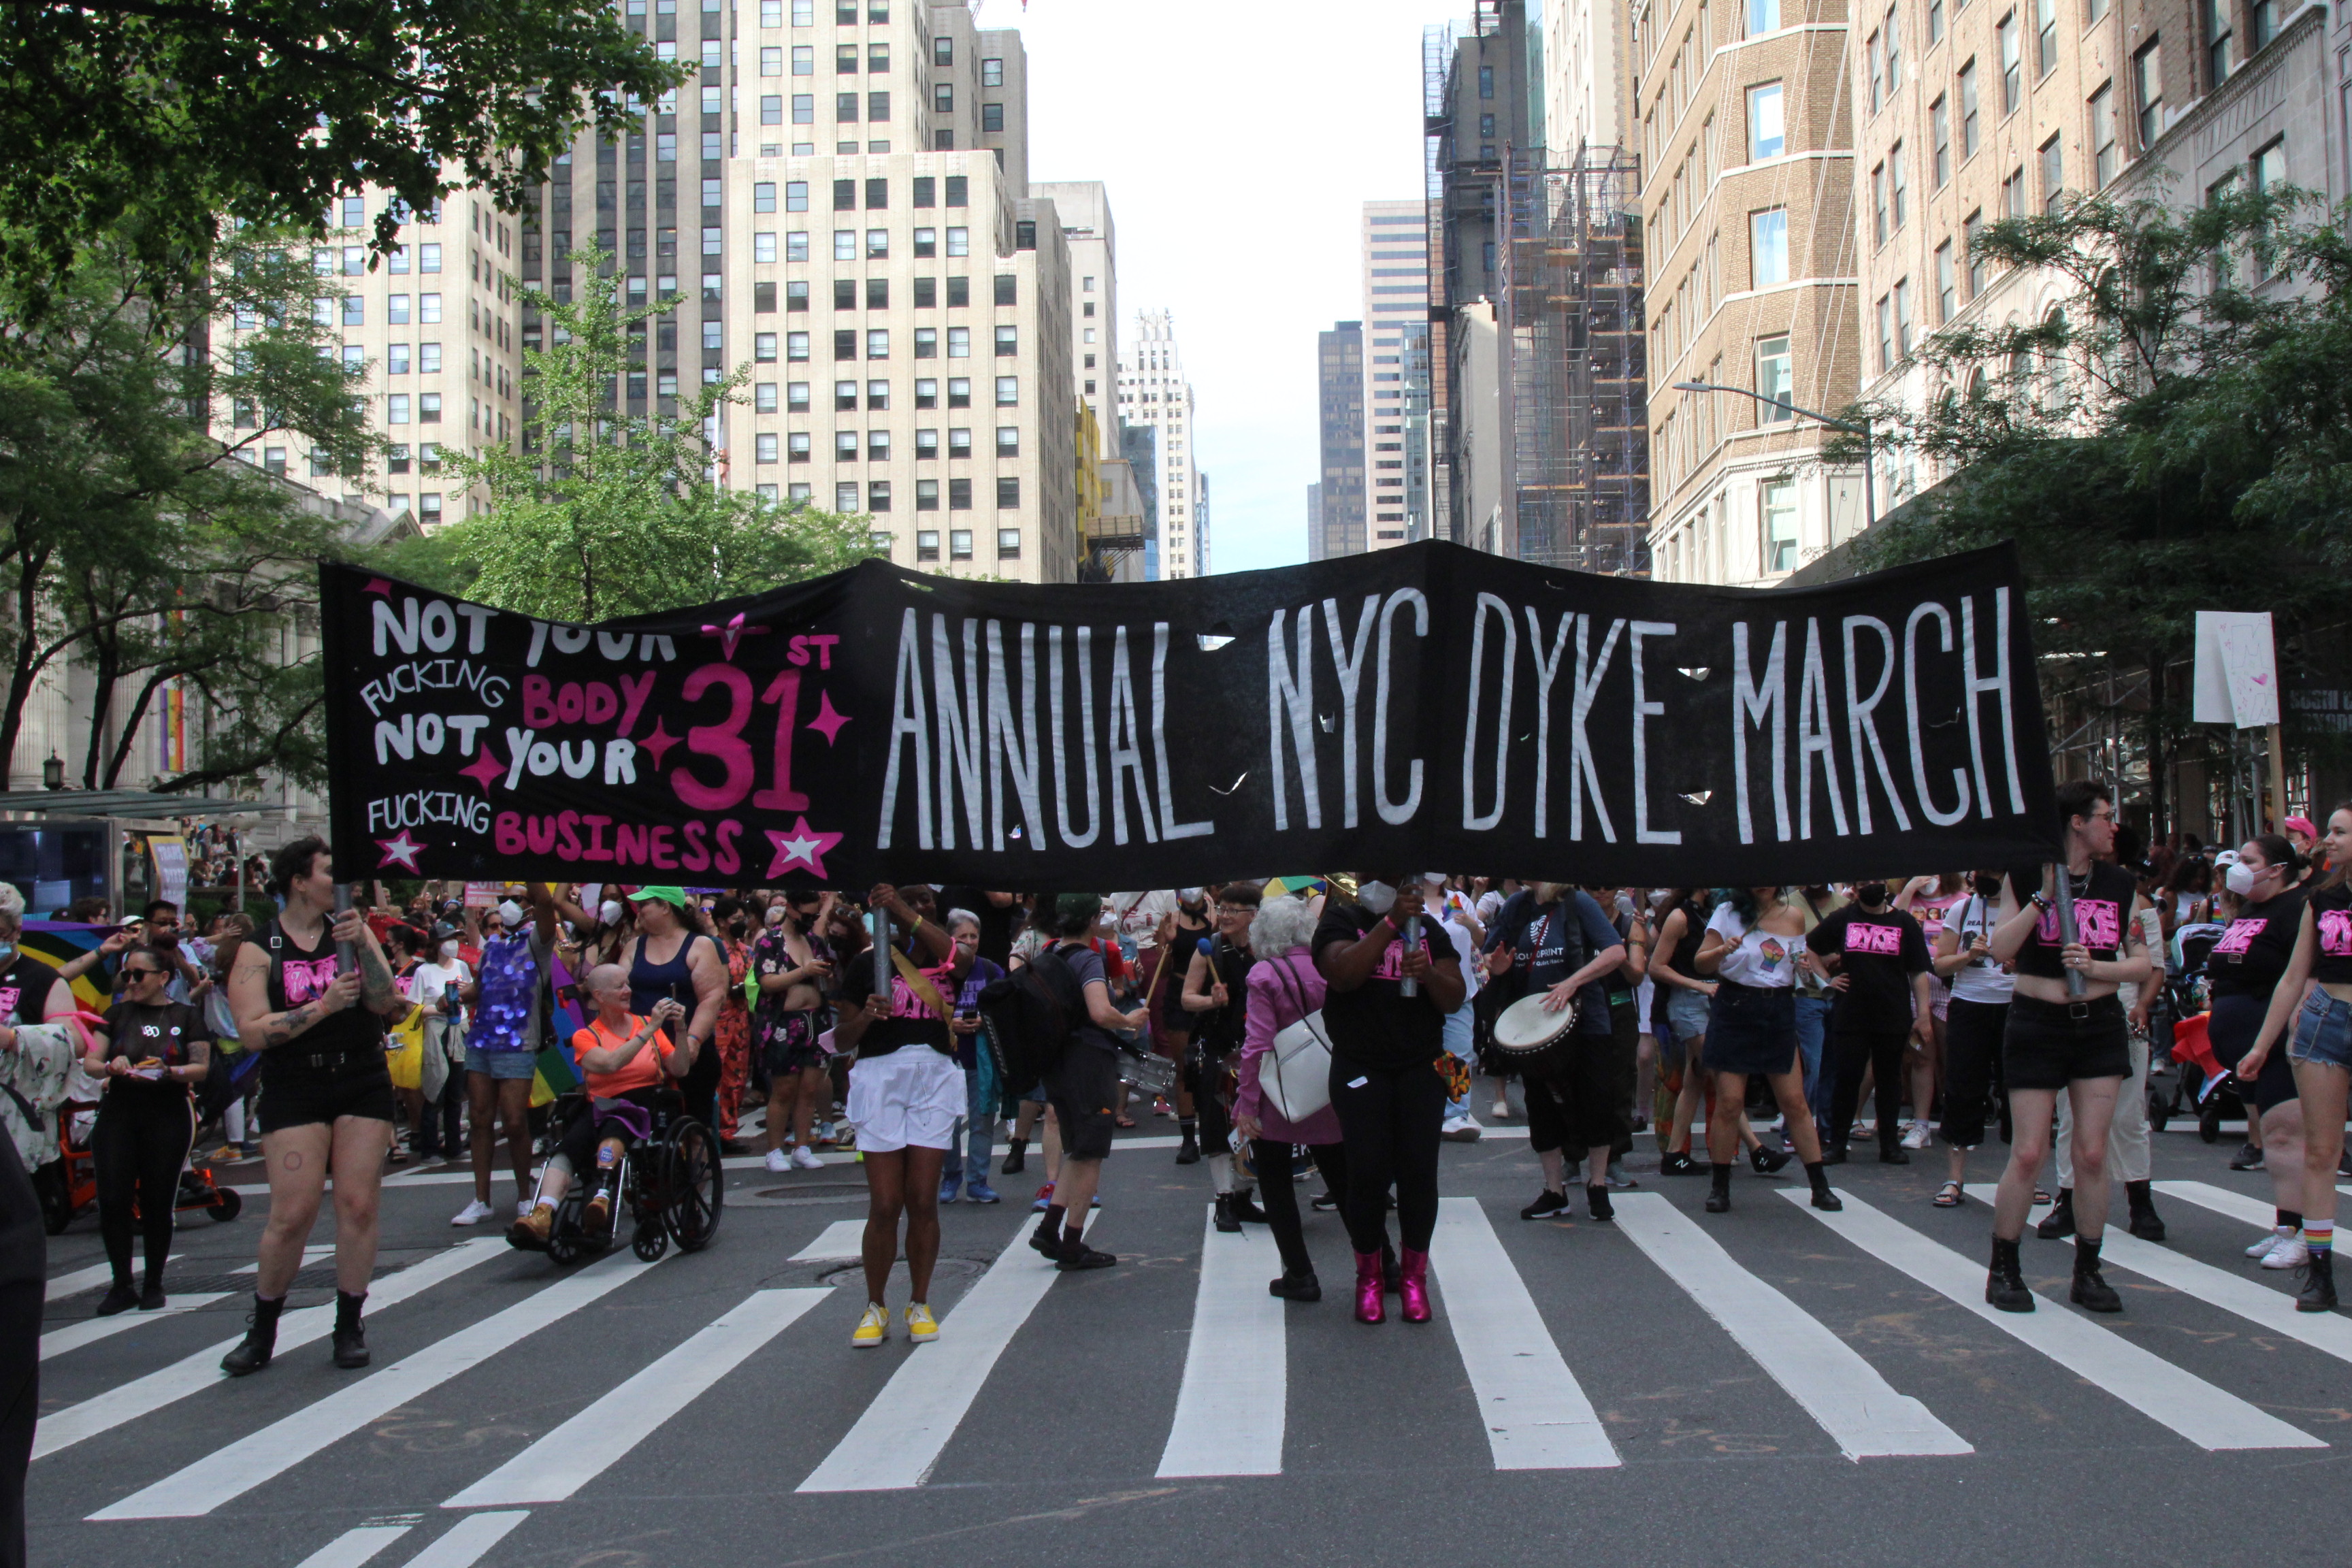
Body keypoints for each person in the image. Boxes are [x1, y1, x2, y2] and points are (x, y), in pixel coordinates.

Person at [220, 836, 409, 1375]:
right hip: (295, 1085)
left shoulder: (351, 932)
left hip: (361, 1075)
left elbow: (383, 1002)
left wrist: (367, 945)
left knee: (358, 1204)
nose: (340, 882)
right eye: (331, 872)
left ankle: (349, 1322)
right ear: (300, 880)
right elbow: (252, 1033)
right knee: (293, 1212)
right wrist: (320, 1007)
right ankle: (263, 1326)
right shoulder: (260, 950)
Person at [1981, 781, 2152, 1315]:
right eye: (2105, 816)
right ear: (2077, 822)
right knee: (2029, 1150)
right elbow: (1999, 950)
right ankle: (2004, 1266)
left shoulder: (2121, 883)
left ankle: (2089, 1267)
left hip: (2098, 1021)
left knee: (2092, 1152)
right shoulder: (2028, 871)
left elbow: (2142, 962)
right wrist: (2041, 896)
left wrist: (2096, 967)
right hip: (2036, 1020)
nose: (2112, 827)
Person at [1316, 872, 1465, 1324]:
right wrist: (1391, 925)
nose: (1380, 884)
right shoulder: (1342, 920)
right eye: (1373, 877)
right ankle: (1371, 1277)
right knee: (1367, 1173)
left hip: (1420, 1066)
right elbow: (1342, 975)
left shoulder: (1431, 929)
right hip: (1361, 1066)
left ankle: (1416, 1279)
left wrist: (1430, 974)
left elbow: (1454, 997)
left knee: (1419, 1173)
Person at [834, 883, 960, 1343]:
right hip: (879, 1078)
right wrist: (867, 1016)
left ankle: (920, 1302)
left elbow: (955, 956)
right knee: (886, 1203)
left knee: (923, 1199)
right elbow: (843, 1040)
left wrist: (902, 908)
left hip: (933, 1078)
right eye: (911, 897)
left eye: (926, 899)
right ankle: (876, 1305)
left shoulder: (949, 958)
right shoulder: (868, 963)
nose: (920, 905)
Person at [2240, 804, 2352, 1309]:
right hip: (2325, 1020)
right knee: (2321, 1152)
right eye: (2329, 831)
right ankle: (2321, 1274)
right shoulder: (2321, 898)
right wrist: (2262, 1046)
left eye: (2339, 832)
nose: (2328, 840)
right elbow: (2292, 977)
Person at [1485, 881, 1630, 1223]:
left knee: (1596, 1101)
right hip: (1532, 1024)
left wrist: (1573, 981)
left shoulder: (1577, 902)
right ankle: (1554, 1191)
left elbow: (1616, 952)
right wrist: (1498, 965)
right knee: (1541, 1106)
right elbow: (1491, 957)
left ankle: (1597, 1184)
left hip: (1585, 1020)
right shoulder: (1516, 907)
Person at [512, 968, 689, 1245]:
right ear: (599, 996)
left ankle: (602, 1198)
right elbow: (609, 1064)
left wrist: (680, 1030)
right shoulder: (587, 1036)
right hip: (600, 1104)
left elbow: (679, 1068)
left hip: (642, 1104)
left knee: (615, 1127)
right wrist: (651, 1029)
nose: (628, 991)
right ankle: (543, 1212)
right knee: (569, 1145)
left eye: (628, 984)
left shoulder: (645, 1024)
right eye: (620, 986)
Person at [1692, 887, 1841, 1215]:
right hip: (1735, 1006)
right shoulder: (1727, 913)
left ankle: (1819, 1185)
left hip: (1778, 1010)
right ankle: (1720, 1185)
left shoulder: (1794, 915)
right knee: (1730, 1102)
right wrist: (1722, 950)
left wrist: (1811, 974)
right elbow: (1701, 963)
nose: (1761, 885)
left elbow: (1799, 969)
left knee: (1795, 1102)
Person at [81, 951, 212, 1313]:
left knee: (158, 1199)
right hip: (120, 1110)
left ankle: (153, 1281)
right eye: (127, 974)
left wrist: (169, 1071)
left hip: (167, 1111)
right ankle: (121, 1282)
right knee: (112, 1199)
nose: (132, 982)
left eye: (140, 974)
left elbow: (201, 1067)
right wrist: (112, 1065)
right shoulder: (117, 1014)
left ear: (163, 977)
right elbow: (92, 1062)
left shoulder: (185, 1015)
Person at [2205, 835, 2314, 1267]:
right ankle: (2287, 1225)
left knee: (2288, 1136)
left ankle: (2307, 1233)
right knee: (2272, 1139)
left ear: (2277, 869)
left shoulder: (2299, 908)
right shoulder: (2253, 907)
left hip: (2275, 1040)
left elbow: (2302, 981)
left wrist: (2270, 1042)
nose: (2240, 867)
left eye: (2250, 861)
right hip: (2243, 1042)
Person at [1234, 894, 1348, 1302]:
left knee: (1276, 1183)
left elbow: (1257, 1045)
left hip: (1279, 1092)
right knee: (1343, 1178)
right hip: (1328, 1084)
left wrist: (1246, 1103)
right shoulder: (1327, 965)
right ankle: (1381, 1261)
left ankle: (1301, 1273)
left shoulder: (1263, 974)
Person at [1026, 894, 1147, 1272]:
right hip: (1088, 1063)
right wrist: (1129, 1021)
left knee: (1076, 1150)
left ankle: (1049, 1228)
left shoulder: (1048, 957)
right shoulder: (1088, 958)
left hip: (1057, 1064)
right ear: (1094, 920)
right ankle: (1073, 1243)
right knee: (1091, 1152)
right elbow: (1099, 1010)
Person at [1809, 879, 1935, 1166]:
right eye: (1865, 882)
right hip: (1851, 1012)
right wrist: (1827, 980)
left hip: (1893, 1013)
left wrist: (1923, 1015)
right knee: (1847, 1079)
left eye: (1876, 881)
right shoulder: (1844, 917)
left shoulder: (1904, 922)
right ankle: (1837, 1143)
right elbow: (1812, 947)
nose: (1871, 886)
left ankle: (1889, 1144)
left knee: (1889, 1079)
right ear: (1856, 887)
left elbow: (1918, 972)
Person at [451, 890, 557, 1226]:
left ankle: (525, 1198)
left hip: (518, 1042)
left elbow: (545, 904)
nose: (501, 924)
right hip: (482, 1041)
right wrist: (450, 998)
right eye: (493, 923)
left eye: (516, 900)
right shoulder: (490, 950)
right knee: (480, 1120)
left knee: (515, 1121)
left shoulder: (536, 945)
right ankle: (482, 1200)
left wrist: (529, 869)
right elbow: (479, 988)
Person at [1180, 884, 1267, 1230]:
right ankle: (1224, 1199)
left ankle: (1244, 1195)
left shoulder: (1266, 950)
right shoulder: (1209, 950)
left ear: (1254, 915)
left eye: (1235, 910)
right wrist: (1212, 1001)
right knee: (1216, 1124)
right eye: (1224, 909)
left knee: (1254, 1124)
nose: (1226, 916)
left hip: (1257, 1048)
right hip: (1217, 1046)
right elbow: (1187, 998)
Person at [1931, 872, 2014, 1208]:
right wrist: (1967, 956)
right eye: (1983, 871)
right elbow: (1940, 966)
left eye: (1996, 870)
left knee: (2020, 1092)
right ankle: (1955, 1177)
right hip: (1970, 1004)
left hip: (2014, 1005)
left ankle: (2027, 1175)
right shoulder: (1962, 910)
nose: (1988, 877)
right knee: (1963, 1089)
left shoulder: (2026, 910)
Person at [619, 887, 727, 1136]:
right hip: (644, 1049)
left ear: (666, 907)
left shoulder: (700, 945)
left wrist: (694, 1040)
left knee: (695, 1124)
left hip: (686, 1047)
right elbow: (619, 989)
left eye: (645, 905)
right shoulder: (635, 946)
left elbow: (712, 998)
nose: (639, 911)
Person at [755, 889, 835, 1173]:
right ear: (790, 908)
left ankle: (803, 1146)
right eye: (806, 914)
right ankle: (774, 1150)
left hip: (816, 1019)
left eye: (814, 915)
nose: (810, 920)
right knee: (784, 1090)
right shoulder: (771, 941)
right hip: (784, 1022)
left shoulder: (814, 940)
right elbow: (767, 982)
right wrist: (804, 971)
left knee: (810, 1088)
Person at [1648, 888, 1718, 1174]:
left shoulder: (1715, 914)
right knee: (1718, 1074)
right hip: (1680, 1005)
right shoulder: (1679, 917)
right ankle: (1756, 1147)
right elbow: (1656, 967)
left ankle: (1675, 1153)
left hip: (1712, 1004)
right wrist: (1700, 985)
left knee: (1698, 1078)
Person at [938, 907, 1005, 1205]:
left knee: (982, 1121)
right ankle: (951, 1177)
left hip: (981, 1057)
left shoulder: (991, 971)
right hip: (946, 1057)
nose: (968, 941)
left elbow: (1006, 1009)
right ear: (949, 938)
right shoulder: (936, 971)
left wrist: (984, 1021)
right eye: (962, 936)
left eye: (973, 936)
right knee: (947, 1124)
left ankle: (978, 1181)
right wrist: (949, 1023)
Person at [1152, 889, 1214, 1163]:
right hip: (1178, 993)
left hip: (1211, 995)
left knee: (1216, 1064)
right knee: (1184, 1068)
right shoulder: (1171, 920)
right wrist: (1167, 942)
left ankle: (1218, 1129)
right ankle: (1189, 1140)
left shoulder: (1218, 915)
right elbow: (1163, 971)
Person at [407, 926, 469, 1162]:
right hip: (436, 1032)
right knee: (435, 1090)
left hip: (459, 1030)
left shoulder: (461, 966)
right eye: (447, 939)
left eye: (454, 938)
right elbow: (413, 1007)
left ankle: (454, 1146)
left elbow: (470, 993)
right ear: (436, 943)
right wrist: (439, 1007)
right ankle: (429, 1148)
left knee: (455, 1091)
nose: (452, 943)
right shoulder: (424, 971)